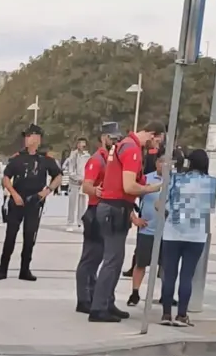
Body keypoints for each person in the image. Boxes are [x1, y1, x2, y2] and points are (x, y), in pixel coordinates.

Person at [88, 121, 165, 323]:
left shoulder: (123, 145)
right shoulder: (132, 150)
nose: (155, 147)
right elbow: (129, 186)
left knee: (116, 259)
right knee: (112, 260)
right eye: (157, 141)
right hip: (115, 209)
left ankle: (107, 302)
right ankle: (99, 307)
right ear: (151, 134)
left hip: (114, 208)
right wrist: (153, 188)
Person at [0, 124, 62, 281]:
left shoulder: (45, 159)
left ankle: (25, 269)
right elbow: (6, 178)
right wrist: (14, 194)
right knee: (10, 235)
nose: (26, 139)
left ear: (37, 138)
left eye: (29, 136)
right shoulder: (17, 158)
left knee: (30, 236)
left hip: (35, 202)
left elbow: (58, 176)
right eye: (26, 136)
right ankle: (2, 268)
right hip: (17, 201)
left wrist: (47, 190)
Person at [158, 149, 216, 326]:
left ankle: (166, 314)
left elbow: (166, 204)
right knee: (187, 275)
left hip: (172, 231)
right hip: (197, 234)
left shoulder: (176, 179)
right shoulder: (211, 183)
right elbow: (210, 209)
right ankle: (182, 315)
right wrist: (207, 232)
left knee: (169, 274)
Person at [75, 122, 120, 314]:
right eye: (113, 138)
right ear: (104, 138)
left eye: (118, 138)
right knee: (91, 258)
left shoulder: (112, 159)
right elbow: (86, 186)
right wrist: (97, 190)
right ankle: (84, 298)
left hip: (108, 211)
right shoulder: (96, 160)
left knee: (105, 258)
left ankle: (102, 298)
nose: (116, 142)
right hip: (95, 211)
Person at [126, 153, 165, 307]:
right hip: (147, 229)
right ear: (156, 163)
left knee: (166, 266)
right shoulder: (146, 179)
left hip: (167, 232)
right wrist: (134, 218)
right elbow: (128, 199)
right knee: (141, 263)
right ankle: (135, 293)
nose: (163, 165)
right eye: (161, 161)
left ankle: (165, 295)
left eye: (167, 162)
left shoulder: (176, 180)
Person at [65, 138, 91, 231]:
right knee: (72, 203)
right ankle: (70, 223)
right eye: (80, 143)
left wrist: (85, 179)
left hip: (83, 181)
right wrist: (76, 178)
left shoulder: (87, 155)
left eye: (83, 143)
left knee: (82, 203)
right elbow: (70, 169)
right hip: (74, 182)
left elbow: (88, 168)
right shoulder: (73, 155)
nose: (82, 145)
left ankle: (80, 221)